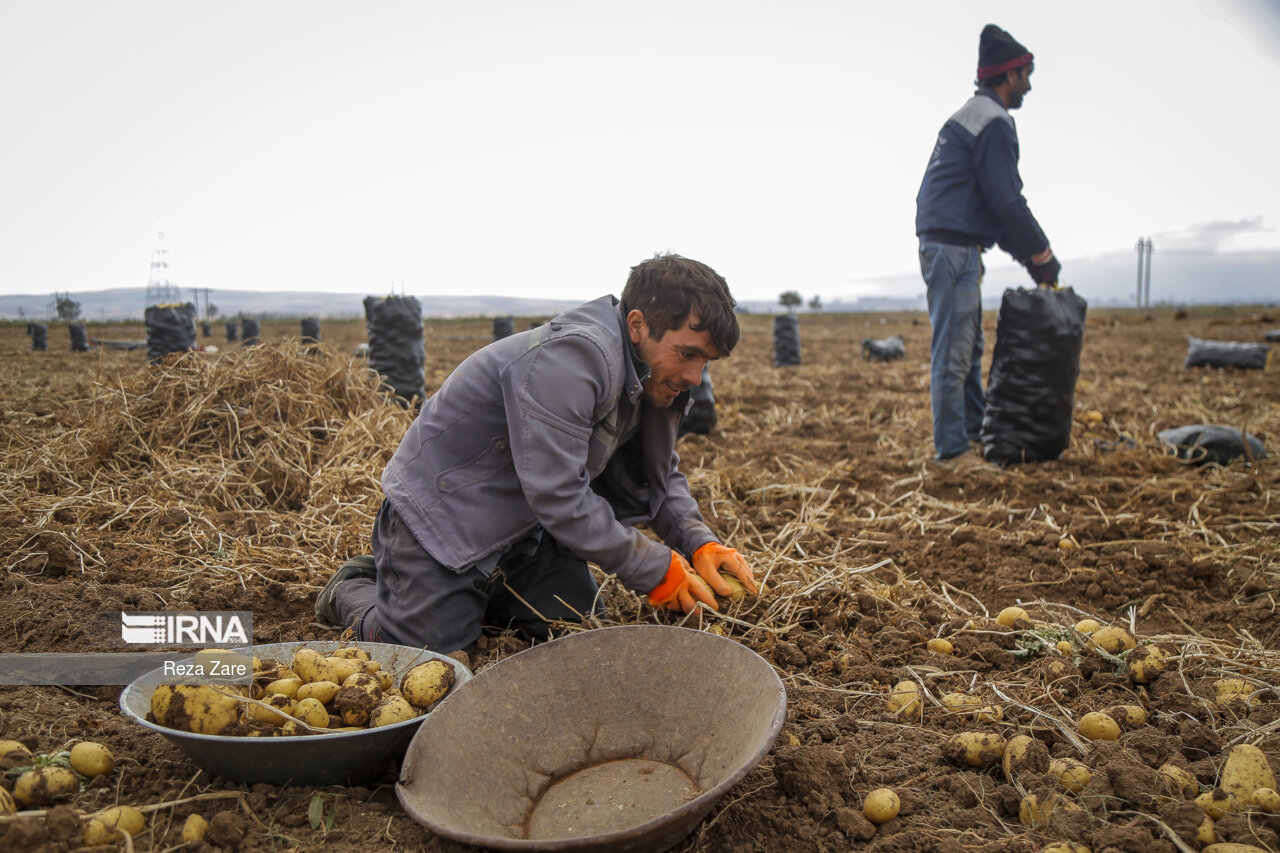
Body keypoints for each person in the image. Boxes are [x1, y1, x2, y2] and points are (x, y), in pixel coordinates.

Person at [315, 254, 759, 656]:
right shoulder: (574, 359)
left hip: (527, 532)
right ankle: (356, 588)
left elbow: (661, 472)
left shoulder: (651, 375)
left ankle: (472, 593)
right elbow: (559, 495)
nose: (696, 377)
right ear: (638, 324)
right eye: (688, 355)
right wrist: (655, 568)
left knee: (580, 634)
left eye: (706, 362)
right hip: (444, 523)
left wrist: (698, 541)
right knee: (431, 661)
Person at [915, 24, 1060, 461]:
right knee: (954, 354)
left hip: (955, 245)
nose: (1029, 86)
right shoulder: (993, 121)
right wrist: (1042, 254)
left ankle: (976, 438)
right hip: (953, 249)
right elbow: (1006, 201)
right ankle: (953, 454)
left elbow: (991, 205)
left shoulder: (971, 116)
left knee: (968, 347)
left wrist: (1029, 256)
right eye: (1026, 75)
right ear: (1009, 75)